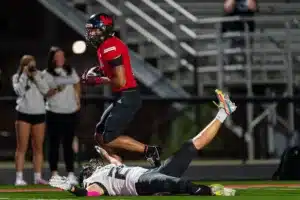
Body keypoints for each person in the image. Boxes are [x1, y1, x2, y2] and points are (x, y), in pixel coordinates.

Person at [49, 89, 237, 197]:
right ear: (87, 174)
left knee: (189, 146)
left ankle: (224, 112)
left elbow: (112, 159)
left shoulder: (108, 168)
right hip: (141, 183)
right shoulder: (93, 182)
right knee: (174, 184)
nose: (93, 164)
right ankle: (210, 191)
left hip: (151, 173)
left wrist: (103, 153)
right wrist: (73, 189)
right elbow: (90, 195)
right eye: (90, 167)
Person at [81, 13, 161, 167]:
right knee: (99, 134)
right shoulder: (106, 45)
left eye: (94, 30)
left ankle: (149, 151)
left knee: (109, 137)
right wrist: (98, 71)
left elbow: (120, 80)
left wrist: (96, 80)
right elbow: (113, 72)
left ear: (104, 29)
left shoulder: (110, 47)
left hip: (127, 96)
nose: (91, 33)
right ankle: (115, 164)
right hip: (122, 95)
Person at [12, 55, 53, 185]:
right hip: (23, 113)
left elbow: (46, 90)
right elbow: (19, 92)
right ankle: (19, 178)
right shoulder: (17, 77)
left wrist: (35, 76)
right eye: (28, 64)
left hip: (39, 113)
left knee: (38, 147)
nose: (31, 66)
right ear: (23, 65)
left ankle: (38, 177)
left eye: (33, 64)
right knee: (22, 147)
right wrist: (24, 76)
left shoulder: (40, 75)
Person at [43, 46, 81, 184]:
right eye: (58, 56)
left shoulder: (70, 71)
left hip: (70, 112)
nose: (61, 59)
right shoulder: (46, 74)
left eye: (62, 56)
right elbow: (45, 92)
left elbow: (77, 83)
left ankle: (71, 173)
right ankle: (54, 174)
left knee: (68, 144)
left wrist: (78, 100)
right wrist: (55, 89)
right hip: (54, 112)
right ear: (52, 58)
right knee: (53, 144)